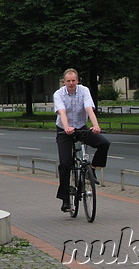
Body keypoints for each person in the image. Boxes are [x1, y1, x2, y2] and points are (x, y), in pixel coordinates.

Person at [54, 68, 110, 212]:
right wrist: (66, 128)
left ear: (77, 81)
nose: (71, 83)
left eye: (73, 80)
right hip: (64, 130)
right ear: (64, 82)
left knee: (104, 143)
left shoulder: (84, 91)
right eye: (68, 81)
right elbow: (62, 112)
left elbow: (89, 109)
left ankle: (93, 168)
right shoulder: (59, 94)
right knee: (65, 164)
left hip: (81, 127)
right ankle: (65, 199)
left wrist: (96, 126)